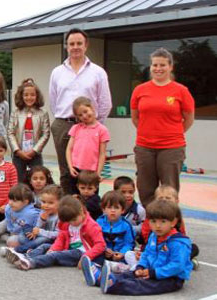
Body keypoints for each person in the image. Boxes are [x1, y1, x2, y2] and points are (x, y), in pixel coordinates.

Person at [49, 28, 112, 194]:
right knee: (67, 171)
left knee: (89, 173)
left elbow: (105, 103)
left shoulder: (98, 72)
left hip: (91, 127)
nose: (75, 47)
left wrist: (94, 125)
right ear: (66, 46)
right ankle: (68, 210)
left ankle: (89, 210)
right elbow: (54, 101)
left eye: (79, 43)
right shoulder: (57, 72)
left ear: (86, 45)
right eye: (71, 44)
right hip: (64, 124)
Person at [131, 48, 195, 207]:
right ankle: (149, 225)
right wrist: (148, 132)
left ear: (170, 67)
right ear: (150, 67)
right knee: (145, 189)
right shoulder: (140, 90)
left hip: (171, 148)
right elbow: (135, 117)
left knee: (169, 190)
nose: (158, 68)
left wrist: (172, 133)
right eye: (154, 65)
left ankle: (171, 225)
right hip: (144, 147)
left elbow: (188, 118)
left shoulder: (181, 91)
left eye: (162, 65)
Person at [99, 200, 193, 295]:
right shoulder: (154, 236)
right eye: (153, 221)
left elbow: (177, 266)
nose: (157, 226)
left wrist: (154, 273)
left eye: (163, 222)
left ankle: (114, 285)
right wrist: (140, 266)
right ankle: (101, 279)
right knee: (130, 274)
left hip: (171, 278)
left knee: (143, 285)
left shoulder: (178, 242)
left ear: (173, 222)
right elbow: (147, 254)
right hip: (151, 271)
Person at [9, 195, 106, 271]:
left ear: (81, 211)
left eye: (74, 220)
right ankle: (25, 256)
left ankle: (31, 263)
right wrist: (53, 249)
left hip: (81, 252)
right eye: (69, 221)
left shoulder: (92, 226)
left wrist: (86, 256)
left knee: (54, 256)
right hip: (68, 248)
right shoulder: (66, 223)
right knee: (46, 246)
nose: (72, 223)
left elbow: (101, 245)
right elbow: (61, 238)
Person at [82, 191, 135, 287]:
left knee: (127, 260)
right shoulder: (99, 222)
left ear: (123, 210)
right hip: (104, 252)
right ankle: (96, 270)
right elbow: (95, 240)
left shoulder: (126, 225)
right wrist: (105, 249)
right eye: (109, 207)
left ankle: (106, 271)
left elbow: (129, 243)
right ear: (103, 209)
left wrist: (121, 253)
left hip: (119, 255)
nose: (113, 211)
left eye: (116, 208)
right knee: (97, 257)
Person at [8, 78, 50, 182]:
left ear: (37, 96)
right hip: (19, 154)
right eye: (26, 95)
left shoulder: (42, 113)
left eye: (32, 95)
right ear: (21, 96)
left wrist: (34, 150)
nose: (29, 97)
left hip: (35, 154)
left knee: (37, 179)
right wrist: (17, 150)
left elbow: (46, 134)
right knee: (18, 181)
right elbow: (10, 132)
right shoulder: (15, 113)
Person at [65, 96, 110, 192]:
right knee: (75, 195)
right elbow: (69, 149)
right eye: (80, 115)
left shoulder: (102, 130)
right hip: (76, 169)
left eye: (85, 111)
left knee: (91, 197)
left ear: (92, 108)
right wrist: (70, 167)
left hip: (92, 171)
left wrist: (98, 172)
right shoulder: (76, 128)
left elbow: (102, 153)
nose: (84, 116)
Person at [0, 184, 40, 253]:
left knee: (11, 241)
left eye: (14, 201)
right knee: (4, 223)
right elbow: (8, 220)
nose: (10, 203)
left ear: (25, 202)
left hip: (23, 235)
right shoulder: (10, 207)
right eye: (10, 199)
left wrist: (13, 233)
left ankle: (6, 239)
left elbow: (26, 229)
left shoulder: (30, 214)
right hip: (13, 228)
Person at [12, 184, 62, 254]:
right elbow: (37, 226)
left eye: (50, 203)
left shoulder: (60, 217)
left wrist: (40, 232)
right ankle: (30, 248)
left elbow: (58, 234)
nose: (46, 205)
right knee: (22, 236)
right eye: (44, 202)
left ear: (60, 203)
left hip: (50, 239)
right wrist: (41, 221)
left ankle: (17, 250)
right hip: (39, 234)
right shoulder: (43, 211)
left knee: (42, 240)